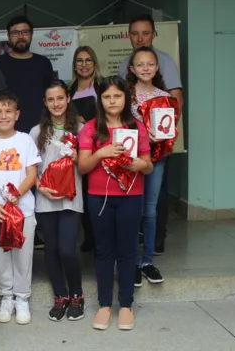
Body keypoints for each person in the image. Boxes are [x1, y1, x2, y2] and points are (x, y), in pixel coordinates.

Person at [78, 76, 153, 331]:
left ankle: (126, 305)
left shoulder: (138, 128)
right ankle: (104, 305)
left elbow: (149, 165)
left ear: (125, 98)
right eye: (107, 96)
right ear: (100, 99)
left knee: (128, 250)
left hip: (131, 197)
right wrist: (102, 152)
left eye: (117, 96)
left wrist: (138, 164)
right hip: (99, 198)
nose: (112, 101)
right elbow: (83, 166)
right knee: (103, 251)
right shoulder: (90, 128)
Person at [117, 14, 184, 255]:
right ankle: (131, 252)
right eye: (135, 33)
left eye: (145, 32)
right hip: (131, 155)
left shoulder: (164, 68)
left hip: (157, 154)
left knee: (153, 204)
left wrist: (163, 135)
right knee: (131, 203)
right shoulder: (124, 83)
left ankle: (150, 250)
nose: (140, 37)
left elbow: (175, 104)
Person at [0, 91, 41, 325]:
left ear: (17, 114)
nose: (3, 116)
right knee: (1, 254)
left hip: (22, 209)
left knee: (23, 254)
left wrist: (18, 193)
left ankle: (22, 297)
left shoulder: (25, 140)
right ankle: (6, 296)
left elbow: (32, 173)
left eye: (8, 111)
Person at [29, 81, 86, 322]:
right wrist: (40, 188)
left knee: (67, 249)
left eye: (60, 98)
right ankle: (60, 295)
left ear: (68, 98)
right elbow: (31, 169)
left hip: (71, 200)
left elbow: (88, 167)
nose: (56, 103)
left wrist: (77, 157)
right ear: (45, 102)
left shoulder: (81, 128)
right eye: (51, 99)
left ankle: (77, 294)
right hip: (46, 199)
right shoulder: (36, 132)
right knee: (50, 250)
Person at [126, 46, 172, 287]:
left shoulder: (163, 96)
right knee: (134, 209)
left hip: (157, 158)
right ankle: (132, 262)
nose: (145, 68)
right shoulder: (125, 94)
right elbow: (120, 124)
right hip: (132, 160)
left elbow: (169, 127)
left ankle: (147, 261)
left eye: (150, 64)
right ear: (132, 69)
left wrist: (165, 137)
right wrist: (143, 133)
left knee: (150, 211)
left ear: (156, 67)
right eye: (140, 64)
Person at [66, 46, 103, 253]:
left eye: (88, 60)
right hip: (75, 148)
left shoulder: (101, 86)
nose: (84, 64)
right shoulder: (69, 89)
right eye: (79, 60)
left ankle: (97, 238)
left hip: (97, 146)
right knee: (80, 194)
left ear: (95, 62)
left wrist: (87, 120)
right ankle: (88, 236)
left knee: (94, 195)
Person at [0, 16, 54, 133]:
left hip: (40, 128)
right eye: (15, 33)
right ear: (9, 36)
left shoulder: (43, 63)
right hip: (8, 128)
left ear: (31, 35)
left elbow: (51, 96)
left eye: (24, 32)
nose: (20, 36)